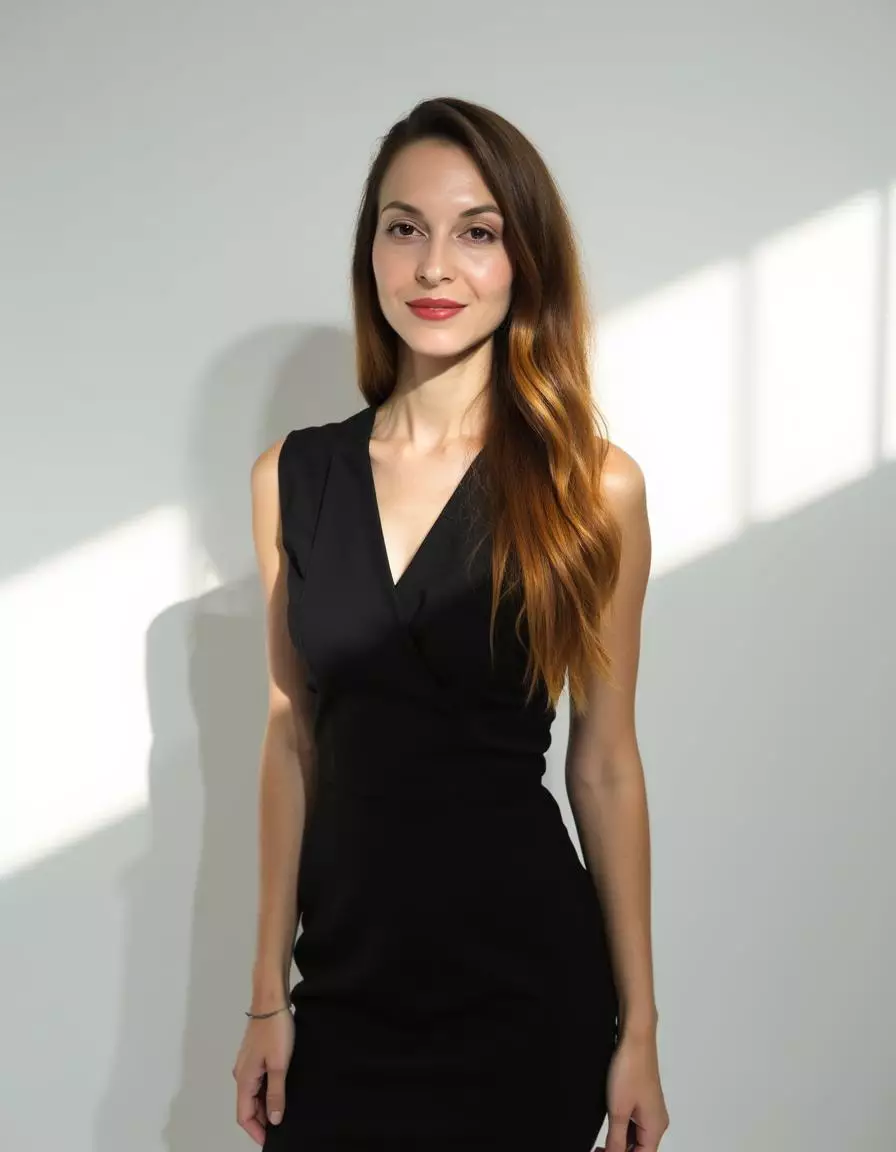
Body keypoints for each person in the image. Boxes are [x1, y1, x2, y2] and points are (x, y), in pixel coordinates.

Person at [232, 96, 669, 1152]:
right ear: (371, 252)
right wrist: (264, 996)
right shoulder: (292, 477)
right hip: (346, 993)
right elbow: (293, 740)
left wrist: (641, 1029)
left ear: (525, 261)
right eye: (405, 228)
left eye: (477, 232)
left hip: (529, 998)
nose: (434, 266)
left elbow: (605, 764)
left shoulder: (591, 487)